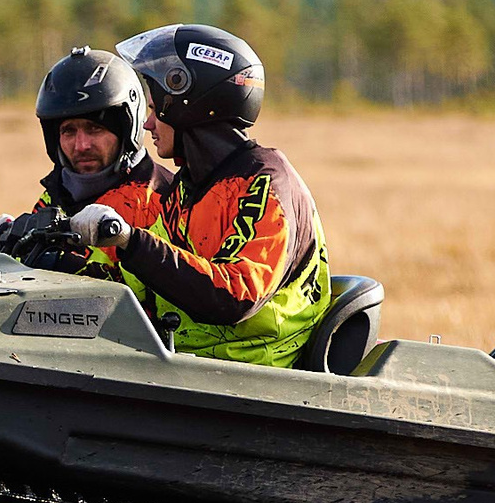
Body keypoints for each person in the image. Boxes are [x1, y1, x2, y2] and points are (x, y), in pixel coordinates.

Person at [65, 23, 331, 367]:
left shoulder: (264, 183)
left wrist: (129, 240)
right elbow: (139, 278)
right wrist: (58, 261)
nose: (147, 125)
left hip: (254, 379)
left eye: (154, 109)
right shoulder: (189, 188)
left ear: (185, 102)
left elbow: (234, 296)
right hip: (193, 367)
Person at [0, 47, 168, 288]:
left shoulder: (161, 199)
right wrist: (5, 251)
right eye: (68, 131)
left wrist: (67, 267)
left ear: (126, 130)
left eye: (94, 129)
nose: (81, 146)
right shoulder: (56, 196)